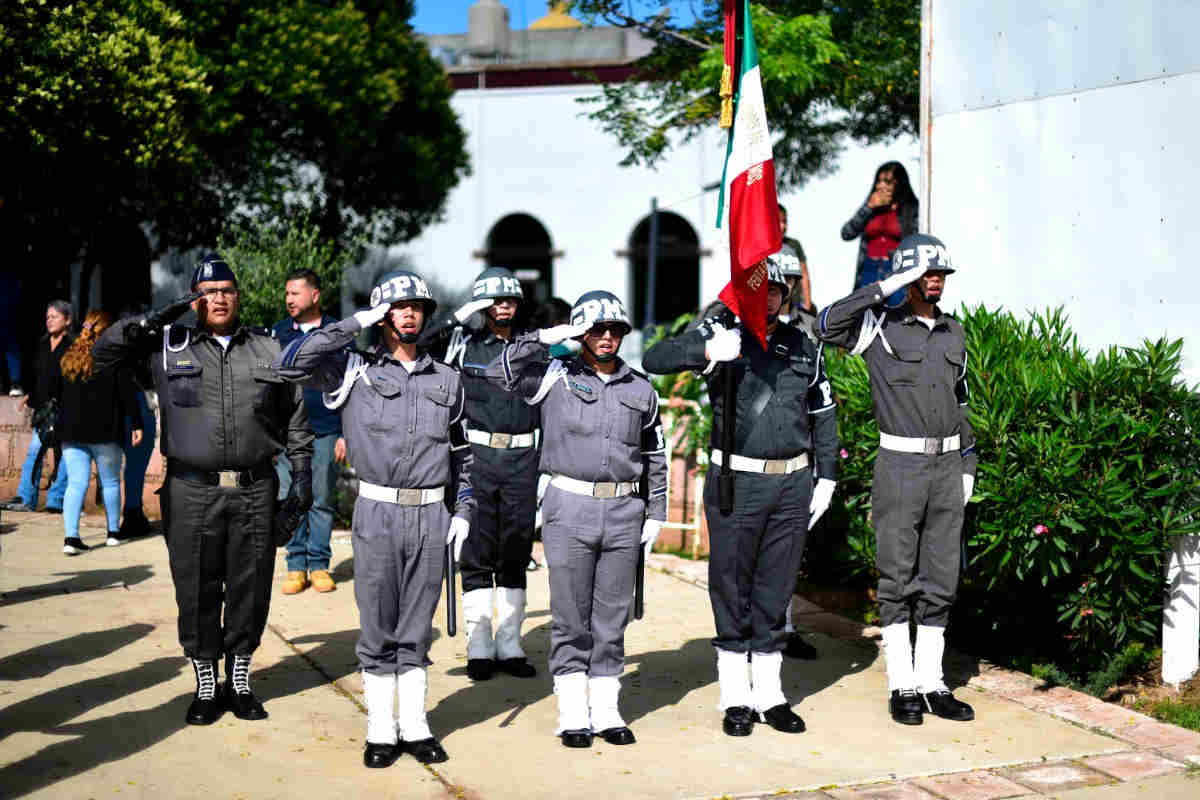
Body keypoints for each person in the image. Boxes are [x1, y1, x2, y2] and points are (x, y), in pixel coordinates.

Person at [94, 253, 314, 727]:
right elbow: (104, 353)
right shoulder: (166, 345)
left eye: (226, 291)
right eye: (207, 292)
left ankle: (240, 679)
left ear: (239, 296)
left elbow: (296, 419)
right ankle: (206, 683)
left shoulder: (269, 349)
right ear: (194, 299)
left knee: (249, 588)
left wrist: (303, 483)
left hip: (255, 489)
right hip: (191, 492)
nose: (219, 299)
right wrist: (152, 320)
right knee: (195, 589)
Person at [275, 269, 474, 769]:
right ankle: (381, 728)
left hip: (431, 513)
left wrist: (464, 508)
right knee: (378, 623)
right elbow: (291, 363)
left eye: (416, 307)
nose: (409, 313)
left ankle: (416, 725)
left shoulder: (448, 378)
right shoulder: (353, 370)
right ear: (383, 315)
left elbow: (463, 453)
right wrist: (354, 322)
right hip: (378, 511)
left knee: (417, 626)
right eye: (398, 306)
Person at [643, 262, 838, 738]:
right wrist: (708, 348)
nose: (770, 297)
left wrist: (827, 475)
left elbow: (824, 413)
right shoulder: (724, 334)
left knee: (776, 586)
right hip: (738, 482)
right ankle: (735, 697)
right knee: (732, 587)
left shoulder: (802, 346)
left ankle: (770, 695)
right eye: (761, 289)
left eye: (778, 290)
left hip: (791, 483)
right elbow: (655, 357)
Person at [487, 290, 667, 749]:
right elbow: (499, 370)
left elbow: (656, 456)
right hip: (569, 507)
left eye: (614, 330)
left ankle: (606, 708)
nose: (606, 338)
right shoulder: (554, 376)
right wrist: (545, 338)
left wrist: (657, 511)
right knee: (570, 615)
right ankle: (571, 711)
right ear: (581, 332)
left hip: (625, 510)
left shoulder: (640, 388)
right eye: (596, 330)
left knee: (612, 616)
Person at [813, 233, 976, 726]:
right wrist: (886, 286)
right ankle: (902, 682)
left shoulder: (954, 333)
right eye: (926, 273)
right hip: (900, 466)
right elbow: (827, 323)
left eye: (940, 274)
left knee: (942, 577)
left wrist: (969, 463)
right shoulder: (879, 327)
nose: (935, 281)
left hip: (949, 468)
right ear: (908, 276)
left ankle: (932, 681)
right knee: (898, 576)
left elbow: (963, 402)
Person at [421, 267, 541, 682]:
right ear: (482, 305)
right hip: (477, 456)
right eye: (494, 300)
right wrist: (458, 316)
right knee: (475, 551)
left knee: (514, 551)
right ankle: (478, 644)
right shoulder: (462, 342)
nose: (503, 306)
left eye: (509, 299)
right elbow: (418, 344)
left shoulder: (533, 346)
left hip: (524, 459)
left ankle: (510, 643)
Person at [272, 268, 346, 595]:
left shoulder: (337, 332)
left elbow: (351, 382)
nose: (289, 299)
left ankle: (319, 565)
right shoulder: (277, 333)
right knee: (291, 498)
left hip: (327, 429)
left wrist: (346, 432)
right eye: (287, 294)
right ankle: (295, 565)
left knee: (321, 498)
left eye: (295, 293)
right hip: (288, 432)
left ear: (314, 296)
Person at [51, 311, 143, 554]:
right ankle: (113, 533)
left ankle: (71, 539)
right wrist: (136, 424)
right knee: (111, 482)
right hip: (105, 429)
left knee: (75, 483)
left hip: (71, 431)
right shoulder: (114, 357)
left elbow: (55, 391)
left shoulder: (68, 355)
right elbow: (127, 394)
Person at [5, 301, 73, 513]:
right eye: (47, 317)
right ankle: (26, 498)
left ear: (67, 320)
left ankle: (56, 499)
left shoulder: (73, 345)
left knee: (67, 454)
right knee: (35, 450)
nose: (49, 320)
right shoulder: (43, 344)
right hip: (45, 410)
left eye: (54, 316)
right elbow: (40, 377)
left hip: (68, 408)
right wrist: (30, 396)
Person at [841, 161, 919, 307]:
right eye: (879, 181)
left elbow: (914, 241)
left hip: (896, 271)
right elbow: (847, 233)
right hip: (869, 269)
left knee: (896, 318)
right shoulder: (871, 207)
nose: (881, 186)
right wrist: (869, 207)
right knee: (865, 317)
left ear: (899, 184)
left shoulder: (912, 208)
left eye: (888, 182)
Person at [778, 204, 812, 314]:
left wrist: (807, 304)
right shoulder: (761, 246)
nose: (783, 226)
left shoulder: (794, 245)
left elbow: (804, 275)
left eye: (785, 222)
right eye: (778, 221)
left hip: (793, 305)